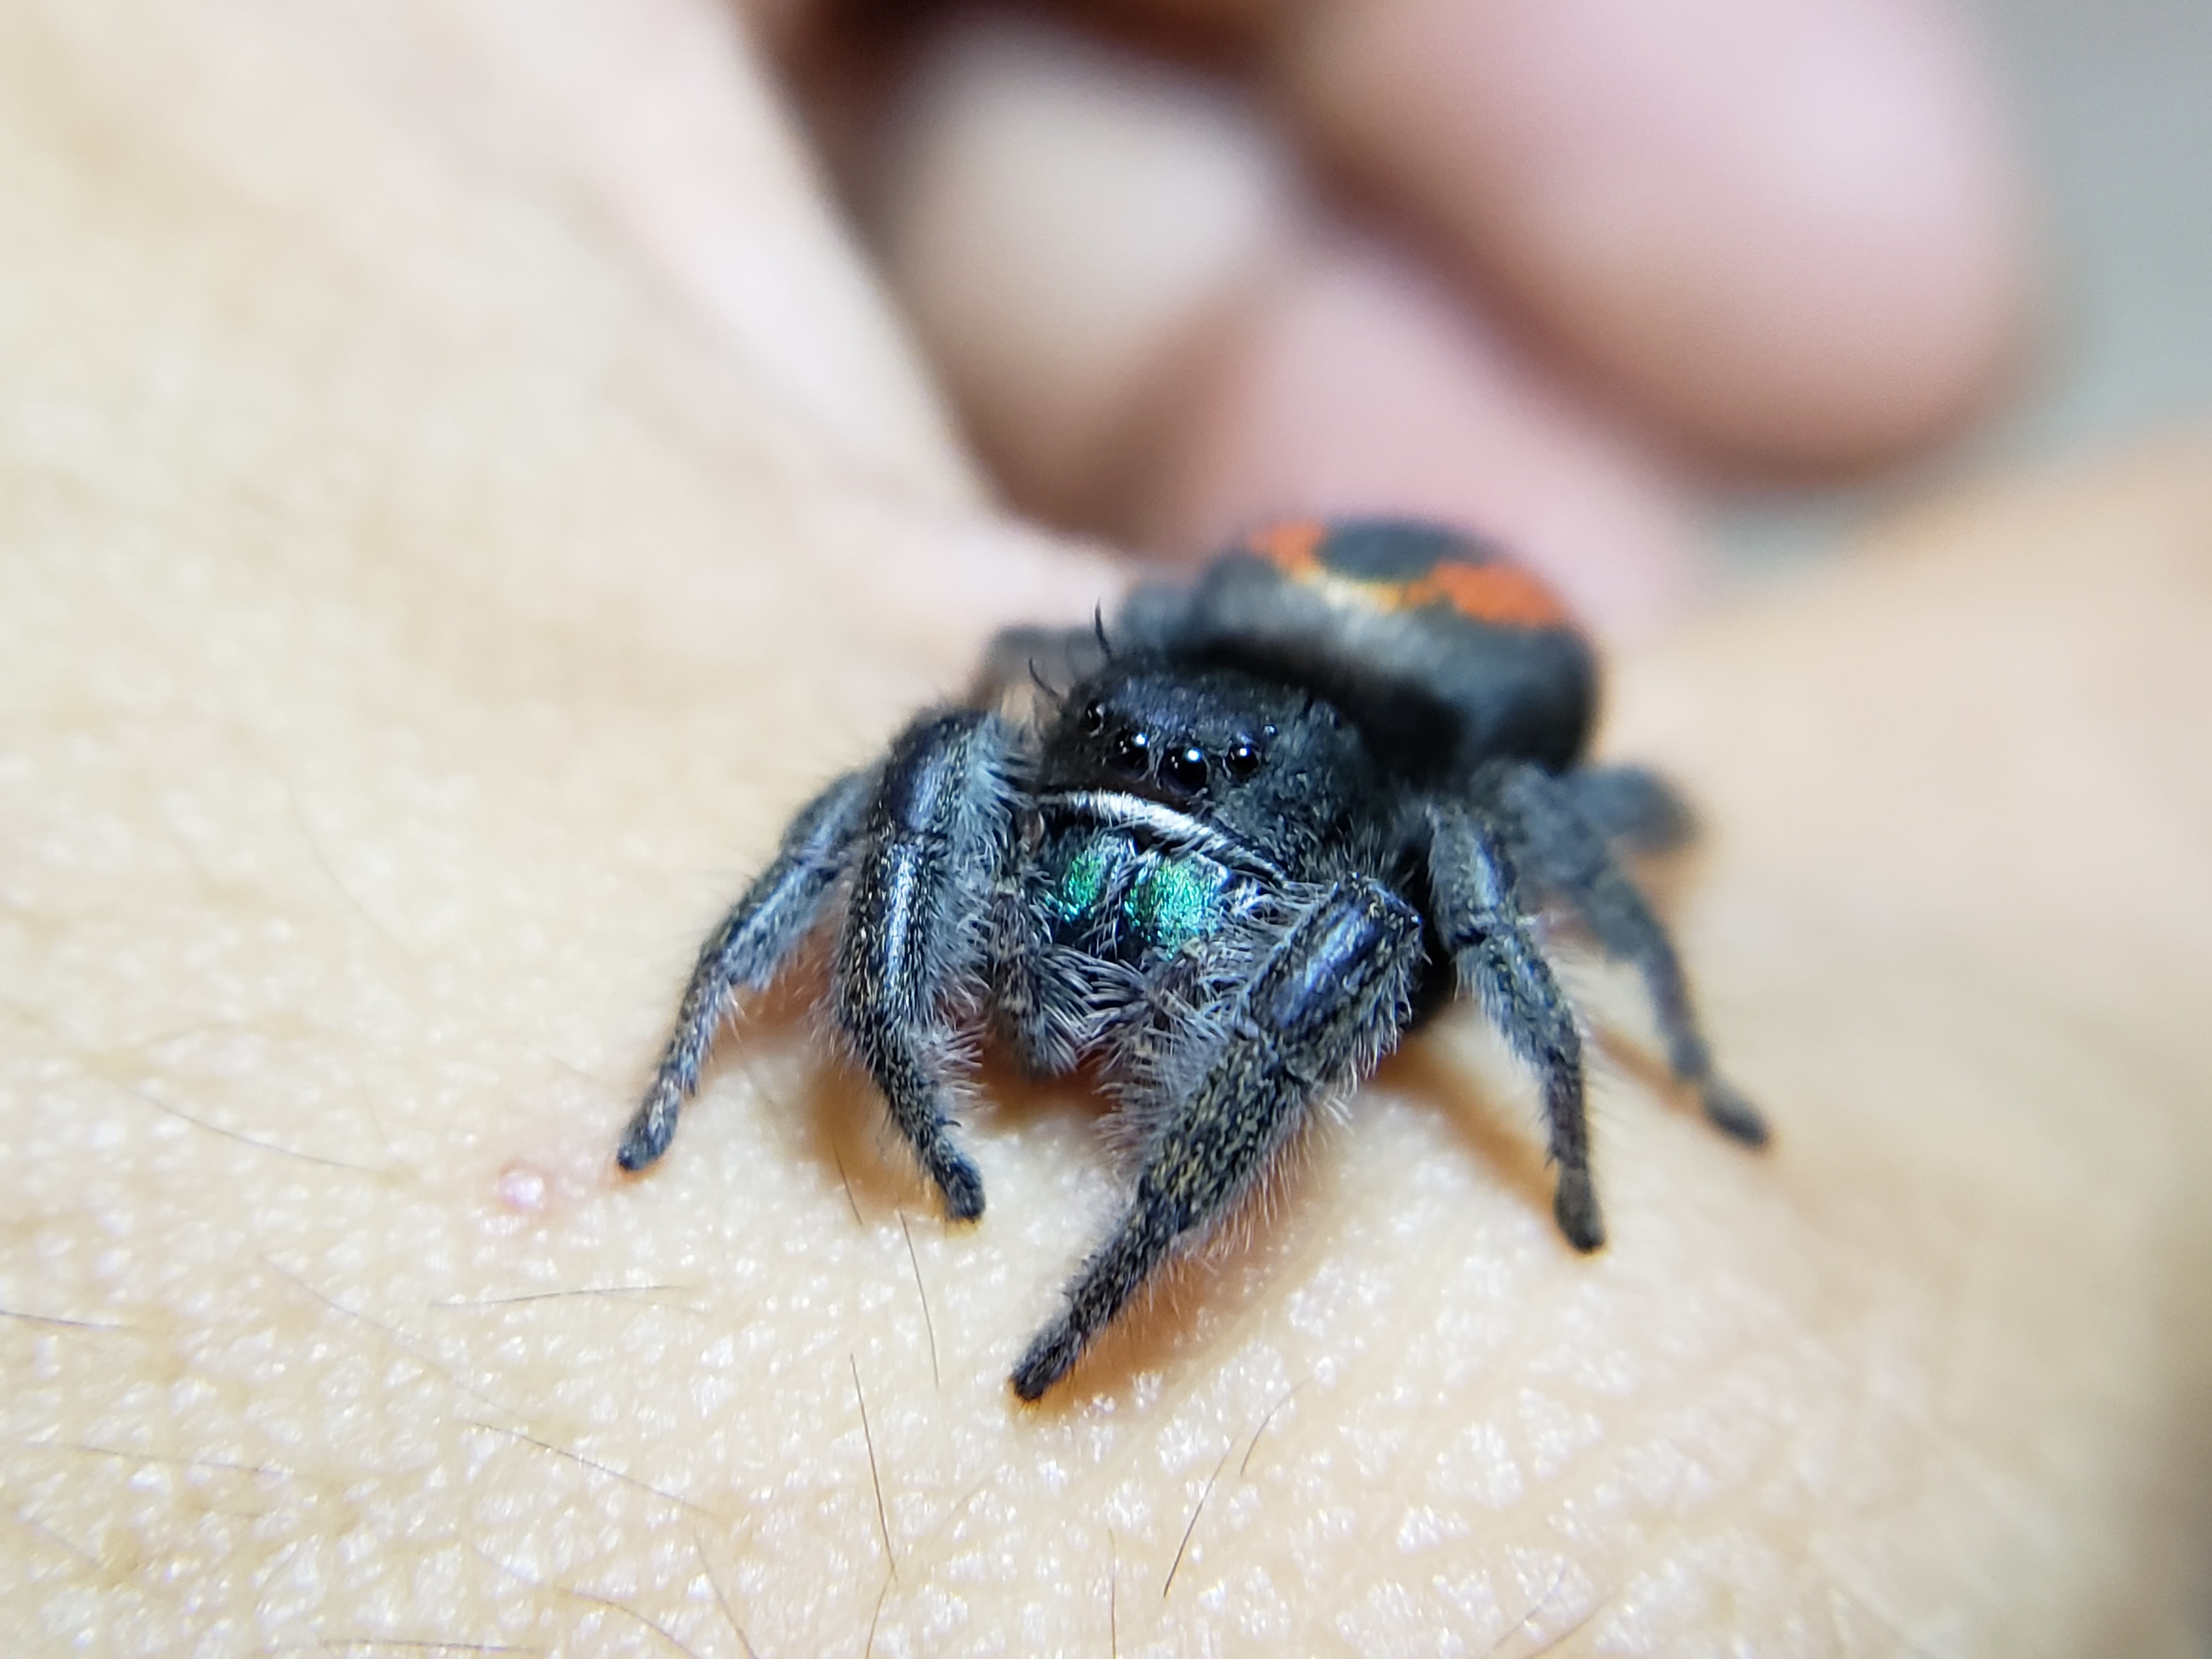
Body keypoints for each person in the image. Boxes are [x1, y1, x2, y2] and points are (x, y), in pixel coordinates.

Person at [5, 2, 2204, 1651]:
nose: (1142, 847)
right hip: (1243, 609)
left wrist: (1629, 1105)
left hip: (1437, 688)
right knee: (928, 762)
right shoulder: (1069, 730)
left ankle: (1156, 1255)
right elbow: (976, 719)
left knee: (1473, 865)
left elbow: (1556, 870)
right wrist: (706, 1067)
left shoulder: (1421, 844)